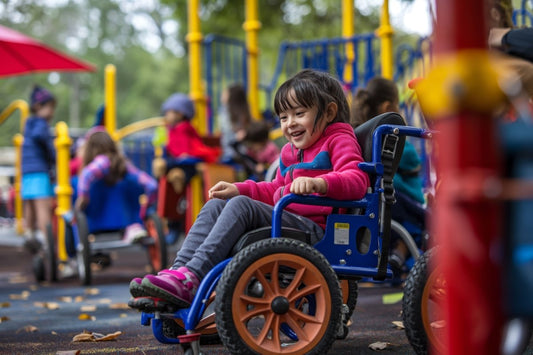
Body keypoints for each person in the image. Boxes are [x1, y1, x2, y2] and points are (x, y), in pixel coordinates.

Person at [129, 69, 370, 307]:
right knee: (216, 204)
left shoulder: (338, 139)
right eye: (284, 117)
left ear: (328, 112)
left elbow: (357, 180)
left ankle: (192, 277)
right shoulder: (290, 151)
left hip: (316, 230)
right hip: (285, 218)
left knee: (242, 207)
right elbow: (276, 189)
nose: (290, 124)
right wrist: (239, 189)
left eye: (299, 113)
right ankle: (177, 272)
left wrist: (321, 183)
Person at [352, 77, 426, 271]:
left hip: (370, 201)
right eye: (398, 106)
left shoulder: (359, 131)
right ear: (387, 107)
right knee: (425, 219)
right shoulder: (388, 134)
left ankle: (398, 252)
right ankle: (401, 251)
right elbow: (412, 160)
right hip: (391, 199)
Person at [75, 129, 158, 243]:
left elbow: (86, 174)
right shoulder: (123, 164)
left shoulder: (102, 161)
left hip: (95, 219)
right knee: (127, 185)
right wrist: (146, 208)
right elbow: (151, 185)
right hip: (126, 218)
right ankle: (134, 226)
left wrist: (83, 198)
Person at [152, 93, 220, 194]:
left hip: (186, 161)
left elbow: (189, 147)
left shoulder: (184, 128)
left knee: (183, 169)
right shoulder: (172, 130)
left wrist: (184, 154)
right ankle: (173, 174)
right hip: (178, 160)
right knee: (167, 166)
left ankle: (176, 175)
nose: (166, 116)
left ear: (180, 114)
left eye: (168, 113)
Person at [21, 85, 57, 254]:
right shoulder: (41, 124)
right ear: (38, 106)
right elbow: (41, 139)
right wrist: (53, 154)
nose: (52, 112)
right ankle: (47, 239)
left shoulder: (28, 123)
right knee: (43, 206)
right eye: (49, 107)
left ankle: (29, 233)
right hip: (38, 170)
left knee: (30, 205)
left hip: (26, 170)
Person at [218, 83, 253, 164]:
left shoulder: (227, 112)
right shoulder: (241, 112)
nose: (222, 95)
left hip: (235, 151)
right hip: (234, 150)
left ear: (231, 96)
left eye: (225, 93)